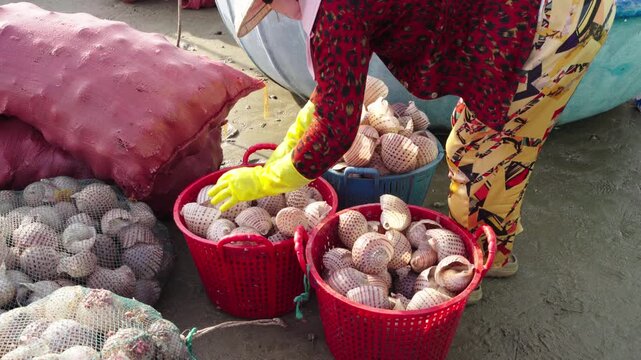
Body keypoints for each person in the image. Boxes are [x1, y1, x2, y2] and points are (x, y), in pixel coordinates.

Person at [209, 0, 616, 301]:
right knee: (498, 139)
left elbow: (336, 127)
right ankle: (495, 246)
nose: (276, 14)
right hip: (565, 13)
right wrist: (287, 148)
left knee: (479, 153)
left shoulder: (335, 14)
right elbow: (330, 95)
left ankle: (477, 267)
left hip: (551, 26)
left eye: (268, 5)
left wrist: (269, 177)